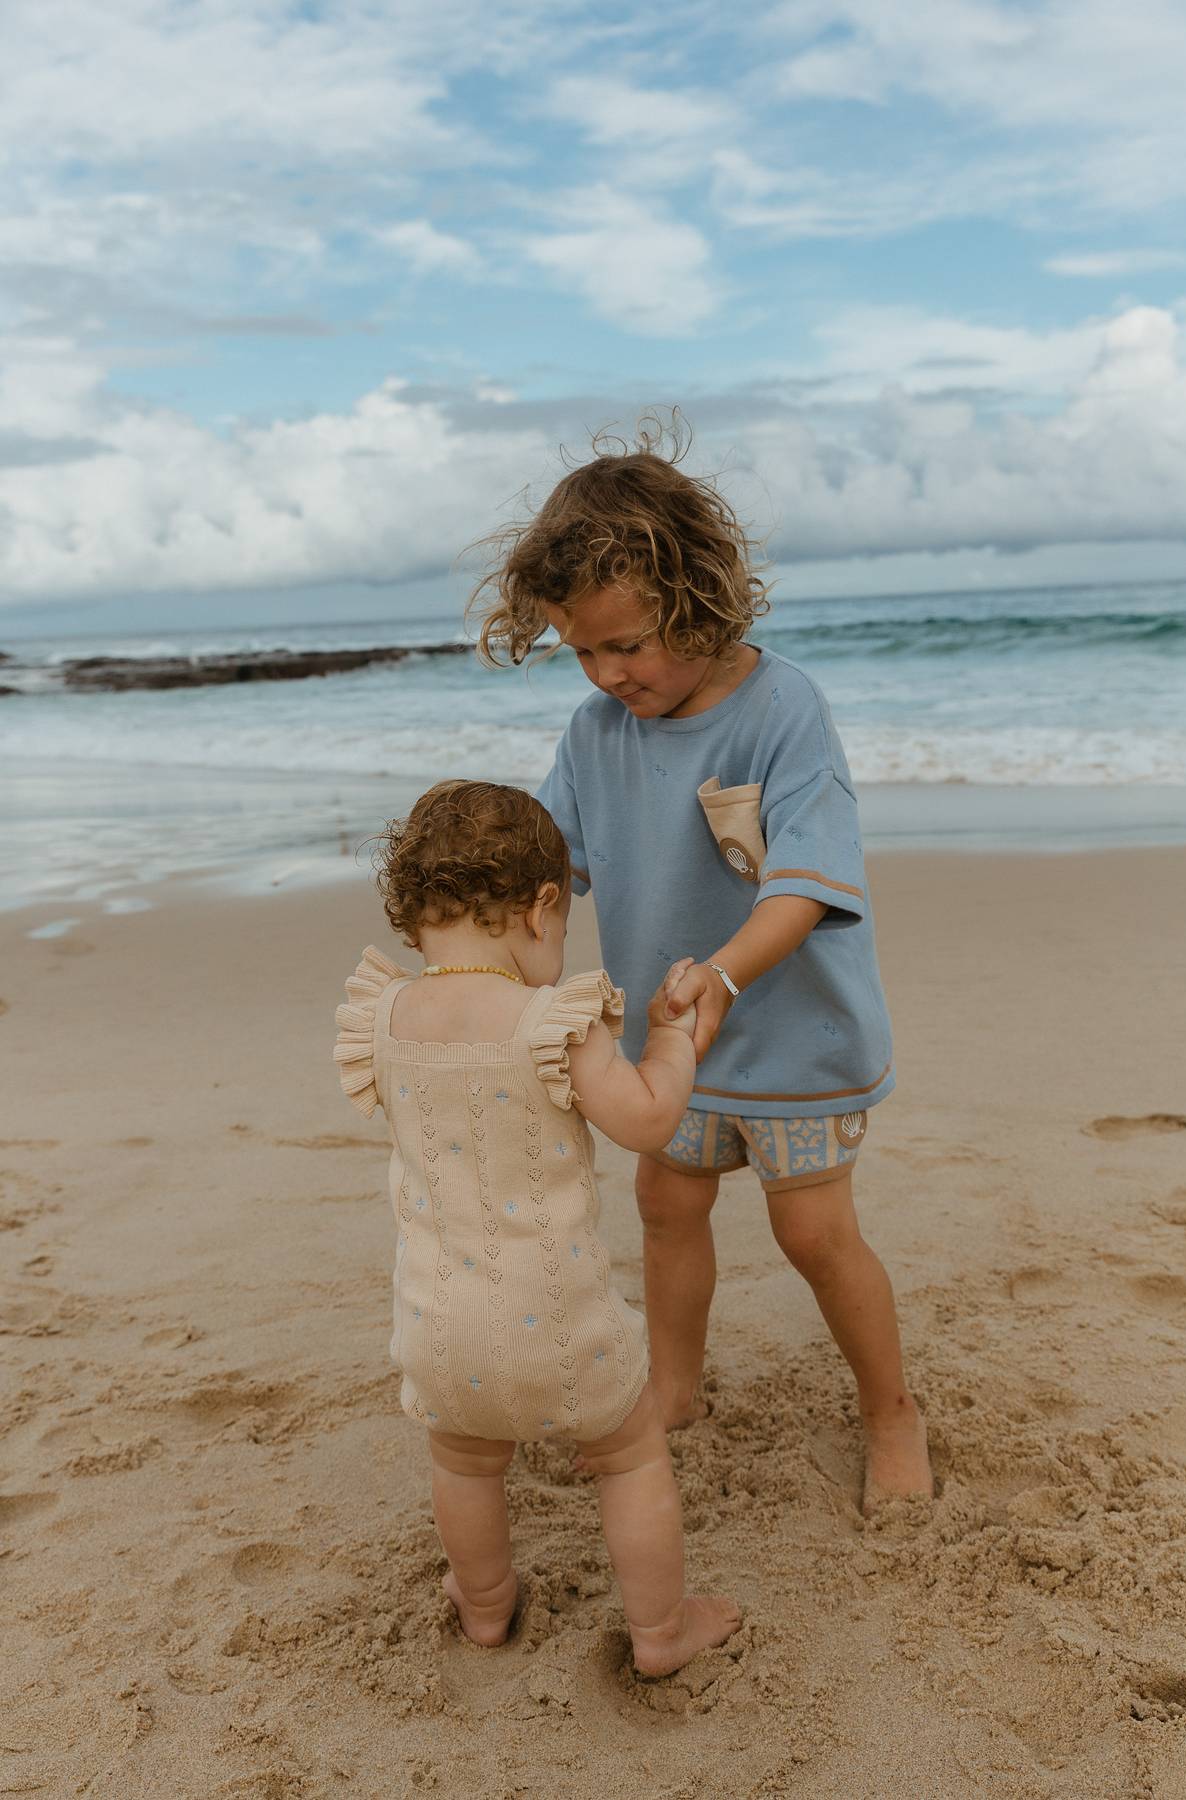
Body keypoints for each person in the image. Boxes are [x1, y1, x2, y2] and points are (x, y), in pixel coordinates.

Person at [471, 420, 934, 1512]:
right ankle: (673, 1386)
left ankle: (890, 1412)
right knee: (665, 1206)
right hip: (665, 1043)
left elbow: (806, 884)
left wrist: (722, 977)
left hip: (789, 1036)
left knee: (814, 1231)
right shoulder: (595, 733)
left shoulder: (785, 712)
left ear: (698, 598)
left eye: (627, 643)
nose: (607, 672)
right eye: (581, 650)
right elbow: (551, 864)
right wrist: (477, 949)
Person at [333, 779, 739, 1674]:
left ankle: (484, 1607)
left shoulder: (386, 1016)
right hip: (561, 1323)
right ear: (541, 908)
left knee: (467, 1466)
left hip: (439, 1328)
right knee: (631, 1456)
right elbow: (644, 1122)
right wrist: (672, 1042)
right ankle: (662, 1632)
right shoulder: (546, 1020)